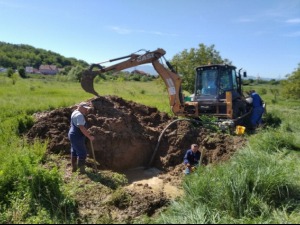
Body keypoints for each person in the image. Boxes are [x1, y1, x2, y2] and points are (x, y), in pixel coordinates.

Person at [68, 102, 95, 174]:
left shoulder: (75, 112)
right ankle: (82, 171)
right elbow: (82, 128)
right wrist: (89, 136)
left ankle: (74, 169)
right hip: (77, 135)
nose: (87, 111)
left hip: (72, 134)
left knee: (74, 151)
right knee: (82, 153)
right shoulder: (79, 115)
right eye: (86, 109)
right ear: (81, 107)